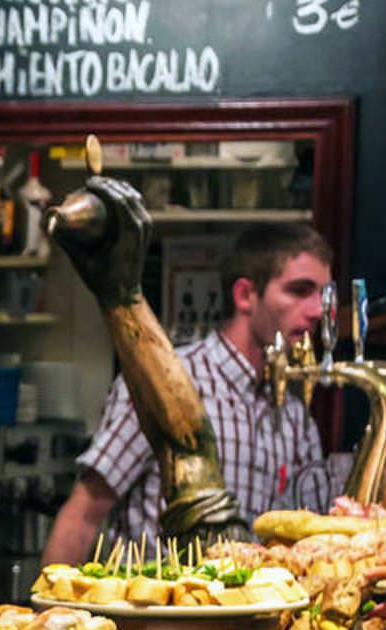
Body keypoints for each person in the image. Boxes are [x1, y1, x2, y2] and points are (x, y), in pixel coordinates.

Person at [42, 221, 336, 564]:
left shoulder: (295, 415)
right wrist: (50, 616)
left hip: (249, 612)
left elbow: (312, 538)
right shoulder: (166, 377)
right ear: (245, 295)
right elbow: (84, 514)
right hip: (157, 610)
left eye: (323, 295)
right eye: (300, 290)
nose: (318, 311)